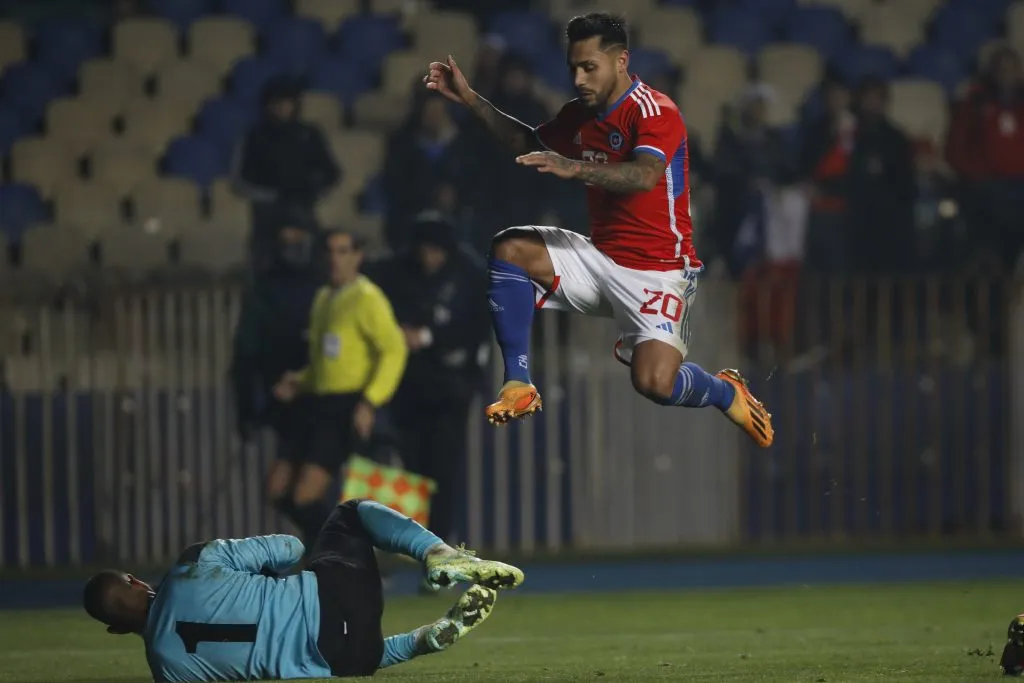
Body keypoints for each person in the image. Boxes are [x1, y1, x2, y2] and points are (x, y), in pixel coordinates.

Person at [424, 12, 774, 447]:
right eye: (573, 66)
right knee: (509, 248)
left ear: (621, 60)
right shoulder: (580, 114)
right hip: (601, 258)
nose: (579, 77)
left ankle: (724, 391)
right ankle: (518, 383)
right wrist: (472, 99)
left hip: (659, 271)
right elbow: (529, 143)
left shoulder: (655, 111)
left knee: (654, 383)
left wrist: (573, 167)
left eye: (589, 66)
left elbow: (645, 176)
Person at [81, 499, 525, 681]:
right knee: (350, 513)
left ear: (116, 631)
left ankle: (423, 641)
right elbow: (289, 546)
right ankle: (437, 554)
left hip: (346, 657)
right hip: (341, 593)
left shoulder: (167, 670)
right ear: (138, 581)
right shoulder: (192, 563)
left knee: (331, 652)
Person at [270, 230, 408, 547]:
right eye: (331, 251)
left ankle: (345, 555)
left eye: (344, 251)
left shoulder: (367, 298)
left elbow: (394, 350)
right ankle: (328, 552)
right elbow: (324, 362)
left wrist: (370, 402)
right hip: (314, 403)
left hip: (345, 406)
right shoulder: (323, 298)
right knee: (277, 489)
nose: (335, 258)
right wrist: (300, 380)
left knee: (305, 496)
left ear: (358, 256)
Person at [367, 212, 490, 542]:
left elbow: (477, 327)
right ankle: (413, 543)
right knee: (408, 465)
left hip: (451, 388)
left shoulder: (469, 276)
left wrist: (427, 337)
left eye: (435, 250)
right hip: (409, 386)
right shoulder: (396, 274)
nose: (429, 256)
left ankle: (438, 543)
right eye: (423, 249)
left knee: (443, 469)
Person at [231, 77, 340, 276]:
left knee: (310, 271)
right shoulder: (255, 137)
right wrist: (273, 196)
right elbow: (239, 182)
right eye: (277, 103)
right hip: (267, 218)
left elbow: (332, 173)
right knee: (266, 274)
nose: (283, 108)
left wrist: (314, 192)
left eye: (287, 103)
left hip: (303, 212)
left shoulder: (309, 134)